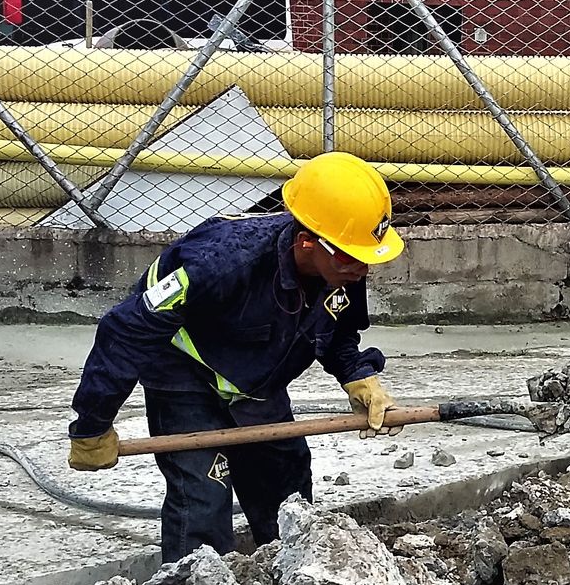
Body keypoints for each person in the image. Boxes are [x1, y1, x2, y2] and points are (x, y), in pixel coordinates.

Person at [65, 152, 405, 561]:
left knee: (287, 491)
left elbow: (337, 329)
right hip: (183, 376)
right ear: (307, 243)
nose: (363, 268)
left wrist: (356, 375)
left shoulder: (342, 268)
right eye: (352, 255)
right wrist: (92, 422)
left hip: (258, 379)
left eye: (369, 256)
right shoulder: (220, 264)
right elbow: (125, 332)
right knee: (204, 498)